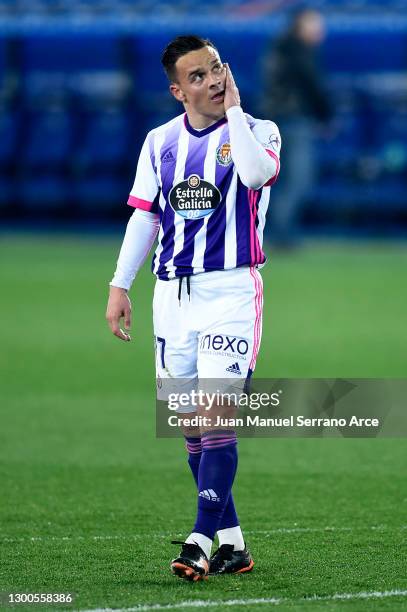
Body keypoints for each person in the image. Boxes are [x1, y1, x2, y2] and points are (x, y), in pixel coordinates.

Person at [106, 35, 281, 582]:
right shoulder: (159, 141)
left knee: (215, 416)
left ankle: (199, 540)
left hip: (230, 291)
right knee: (189, 427)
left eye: (217, 70)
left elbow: (254, 175)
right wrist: (119, 284)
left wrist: (234, 112)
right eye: (198, 76)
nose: (211, 81)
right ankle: (232, 543)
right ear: (177, 90)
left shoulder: (258, 131)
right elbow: (145, 217)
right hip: (171, 295)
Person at [264, 8, 332, 247]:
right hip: (294, 120)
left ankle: (275, 232)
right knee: (299, 179)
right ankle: (282, 235)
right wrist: (326, 116)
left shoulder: (280, 48)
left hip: (278, 121)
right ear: (299, 25)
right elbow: (312, 86)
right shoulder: (297, 51)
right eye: (313, 24)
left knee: (282, 180)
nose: (318, 29)